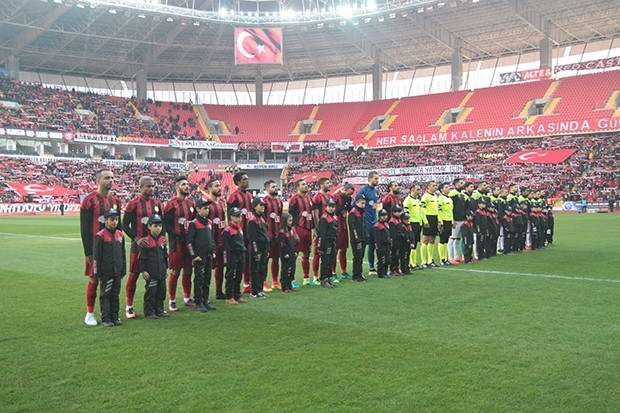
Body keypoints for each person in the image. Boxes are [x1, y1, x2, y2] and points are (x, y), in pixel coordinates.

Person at [80, 169, 122, 326]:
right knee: (94, 279)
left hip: (112, 248)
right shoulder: (89, 200)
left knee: (113, 280)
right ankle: (89, 314)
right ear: (98, 181)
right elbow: (84, 228)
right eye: (107, 178)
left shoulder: (116, 201)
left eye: (112, 178)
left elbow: (119, 227)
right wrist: (88, 251)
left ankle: (112, 314)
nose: (110, 180)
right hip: (96, 248)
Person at [122, 176, 163, 319]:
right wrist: (137, 239)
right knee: (134, 275)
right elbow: (124, 225)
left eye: (153, 186)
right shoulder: (133, 204)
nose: (151, 188)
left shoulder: (157, 204)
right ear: (141, 187)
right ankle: (129, 307)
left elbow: (161, 224)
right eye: (148, 186)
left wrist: (162, 239)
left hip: (154, 247)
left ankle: (155, 307)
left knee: (155, 277)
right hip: (138, 246)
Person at [164, 175, 195, 312]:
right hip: (176, 243)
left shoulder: (191, 204)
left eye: (187, 184)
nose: (187, 186)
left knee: (188, 270)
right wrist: (177, 235)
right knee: (175, 271)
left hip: (189, 243)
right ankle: (171, 301)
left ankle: (187, 298)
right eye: (183, 184)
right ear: (177, 187)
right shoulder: (171, 204)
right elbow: (166, 224)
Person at [93, 208, 126, 327]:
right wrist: (97, 273)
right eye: (112, 219)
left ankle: (115, 316)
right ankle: (106, 318)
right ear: (105, 220)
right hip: (106, 272)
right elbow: (97, 256)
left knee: (115, 294)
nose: (114, 222)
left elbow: (123, 254)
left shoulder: (120, 235)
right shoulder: (101, 236)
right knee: (106, 295)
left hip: (117, 271)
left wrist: (123, 269)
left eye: (116, 219)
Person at [186, 198, 217, 313]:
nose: (207, 210)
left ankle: (205, 300)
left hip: (208, 255)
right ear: (198, 209)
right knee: (199, 279)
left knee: (207, 278)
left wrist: (213, 250)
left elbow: (211, 239)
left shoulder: (209, 223)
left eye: (208, 208)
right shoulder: (194, 223)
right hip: (199, 256)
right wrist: (194, 255)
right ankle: (198, 302)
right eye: (204, 208)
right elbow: (189, 242)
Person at [226, 171, 253, 294]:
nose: (247, 181)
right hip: (238, 234)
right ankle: (233, 288)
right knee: (237, 260)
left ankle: (247, 284)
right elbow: (230, 216)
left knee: (248, 258)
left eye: (247, 179)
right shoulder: (233, 196)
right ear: (238, 182)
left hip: (250, 232)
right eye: (244, 179)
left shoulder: (250, 196)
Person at [139, 214, 169, 319]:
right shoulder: (146, 241)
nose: (158, 228)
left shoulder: (162, 240)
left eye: (160, 226)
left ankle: (159, 310)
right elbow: (142, 258)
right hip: (151, 273)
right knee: (151, 293)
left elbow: (165, 256)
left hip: (161, 272)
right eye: (155, 226)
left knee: (161, 292)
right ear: (149, 227)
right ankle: (149, 312)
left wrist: (166, 268)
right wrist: (144, 270)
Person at [288, 179, 315, 286]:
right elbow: (290, 216)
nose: (306, 186)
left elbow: (311, 215)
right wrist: (293, 232)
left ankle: (306, 278)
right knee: (294, 254)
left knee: (307, 254)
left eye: (306, 184)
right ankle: (292, 280)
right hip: (298, 229)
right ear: (297, 187)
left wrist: (314, 229)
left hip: (308, 230)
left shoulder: (309, 198)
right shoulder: (294, 199)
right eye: (303, 184)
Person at [204, 179, 227, 300]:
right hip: (209, 241)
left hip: (221, 240)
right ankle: (203, 295)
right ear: (209, 188)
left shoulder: (222, 203)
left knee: (221, 266)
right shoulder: (206, 203)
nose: (219, 188)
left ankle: (219, 291)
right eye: (216, 186)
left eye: (220, 185)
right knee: (206, 268)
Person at [355, 171, 380, 275]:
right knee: (364, 245)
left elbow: (375, 205)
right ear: (369, 179)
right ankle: (358, 270)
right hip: (365, 222)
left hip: (374, 221)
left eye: (378, 178)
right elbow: (354, 205)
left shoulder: (376, 191)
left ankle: (371, 268)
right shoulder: (362, 191)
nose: (377, 180)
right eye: (375, 178)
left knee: (373, 244)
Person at [222, 207, 248, 305]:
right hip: (232, 255)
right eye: (237, 216)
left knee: (238, 276)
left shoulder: (239, 228)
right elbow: (226, 248)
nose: (239, 218)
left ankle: (237, 295)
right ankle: (229, 296)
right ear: (231, 217)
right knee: (231, 276)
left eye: (240, 216)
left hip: (241, 254)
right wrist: (227, 261)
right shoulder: (227, 230)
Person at [263, 180, 284, 291]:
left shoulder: (279, 202)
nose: (275, 188)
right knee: (265, 259)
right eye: (273, 187)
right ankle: (263, 282)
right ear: (267, 189)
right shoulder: (264, 201)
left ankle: (275, 281)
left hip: (277, 234)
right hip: (267, 235)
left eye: (276, 186)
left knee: (276, 258)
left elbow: (280, 217)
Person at [331, 183, 355, 280]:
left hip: (344, 226)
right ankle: (333, 272)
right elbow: (333, 210)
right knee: (335, 250)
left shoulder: (348, 198)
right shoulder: (335, 196)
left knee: (344, 249)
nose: (349, 195)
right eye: (349, 193)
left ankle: (344, 271)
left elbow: (349, 210)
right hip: (337, 227)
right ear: (345, 190)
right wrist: (343, 207)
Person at [248, 197, 270, 298]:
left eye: (263, 205)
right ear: (254, 206)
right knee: (255, 270)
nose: (263, 207)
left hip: (264, 247)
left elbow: (266, 234)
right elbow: (252, 237)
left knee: (262, 269)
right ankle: (254, 291)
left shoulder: (262, 218)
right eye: (260, 205)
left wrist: (267, 248)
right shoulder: (252, 220)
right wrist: (256, 251)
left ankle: (260, 289)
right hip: (257, 248)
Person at [312, 177, 331, 284]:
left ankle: (327, 275)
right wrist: (317, 229)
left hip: (329, 228)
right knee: (318, 252)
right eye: (327, 183)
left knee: (328, 253)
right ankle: (315, 276)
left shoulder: (329, 196)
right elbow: (315, 214)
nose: (329, 184)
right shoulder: (317, 197)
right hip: (321, 229)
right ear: (321, 185)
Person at [316, 198, 339, 288]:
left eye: (333, 206)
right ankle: (323, 279)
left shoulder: (334, 217)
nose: (331, 208)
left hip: (333, 242)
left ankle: (329, 278)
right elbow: (321, 234)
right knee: (325, 262)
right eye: (329, 206)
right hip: (326, 243)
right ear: (325, 207)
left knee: (331, 261)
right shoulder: (324, 218)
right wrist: (320, 247)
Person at [348, 193, 368, 282]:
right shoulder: (353, 212)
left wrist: (366, 235)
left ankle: (359, 273)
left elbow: (364, 226)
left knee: (361, 256)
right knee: (357, 256)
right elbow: (352, 227)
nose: (363, 205)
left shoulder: (362, 212)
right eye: (362, 203)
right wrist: (356, 238)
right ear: (356, 202)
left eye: (364, 203)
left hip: (362, 238)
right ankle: (356, 275)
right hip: (356, 239)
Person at [403, 183, 423, 270]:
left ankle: (413, 263)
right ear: (412, 190)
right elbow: (406, 214)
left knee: (415, 243)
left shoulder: (418, 200)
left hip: (418, 223)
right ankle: (411, 263)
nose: (419, 191)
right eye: (417, 189)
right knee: (411, 243)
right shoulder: (408, 200)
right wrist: (408, 224)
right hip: (412, 224)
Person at [420, 181, 439, 268]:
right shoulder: (425, 196)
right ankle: (423, 261)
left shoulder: (435, 196)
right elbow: (422, 209)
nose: (435, 187)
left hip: (435, 218)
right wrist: (425, 221)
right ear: (428, 187)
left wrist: (439, 221)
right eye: (433, 186)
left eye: (435, 185)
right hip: (428, 218)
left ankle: (430, 260)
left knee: (432, 239)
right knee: (425, 240)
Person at [278, 212, 298, 292]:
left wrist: (295, 251)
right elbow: (282, 244)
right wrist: (284, 253)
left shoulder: (291, 231)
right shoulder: (282, 232)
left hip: (292, 253)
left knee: (291, 269)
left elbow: (293, 242)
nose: (291, 222)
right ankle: (285, 286)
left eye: (291, 220)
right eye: (289, 221)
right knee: (286, 270)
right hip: (286, 254)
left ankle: (290, 285)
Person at [448, 178, 466, 264]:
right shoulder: (452, 194)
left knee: (458, 239)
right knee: (452, 238)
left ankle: (456, 256)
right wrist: (452, 219)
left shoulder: (462, 194)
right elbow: (450, 208)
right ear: (456, 184)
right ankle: (450, 257)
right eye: (461, 183)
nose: (463, 184)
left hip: (462, 219)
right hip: (455, 220)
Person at [437, 182, 454, 266]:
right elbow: (438, 211)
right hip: (444, 220)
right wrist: (440, 222)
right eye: (446, 187)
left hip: (449, 220)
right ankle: (442, 259)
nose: (448, 188)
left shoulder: (449, 199)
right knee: (442, 239)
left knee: (446, 239)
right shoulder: (440, 199)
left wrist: (452, 221)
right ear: (441, 189)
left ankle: (445, 258)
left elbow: (451, 211)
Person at [372, 209, 391, 279]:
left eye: (385, 215)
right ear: (379, 216)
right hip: (381, 246)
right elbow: (376, 239)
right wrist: (378, 248)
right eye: (383, 215)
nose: (384, 217)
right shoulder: (377, 226)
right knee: (382, 260)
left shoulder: (386, 224)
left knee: (388, 260)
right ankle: (381, 273)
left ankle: (385, 272)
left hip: (387, 245)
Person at [388, 205, 404, 275]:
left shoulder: (398, 220)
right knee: (394, 255)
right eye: (398, 211)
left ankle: (397, 268)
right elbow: (393, 233)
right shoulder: (392, 221)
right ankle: (393, 269)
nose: (399, 213)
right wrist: (394, 241)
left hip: (399, 240)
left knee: (398, 255)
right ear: (393, 212)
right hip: (395, 240)